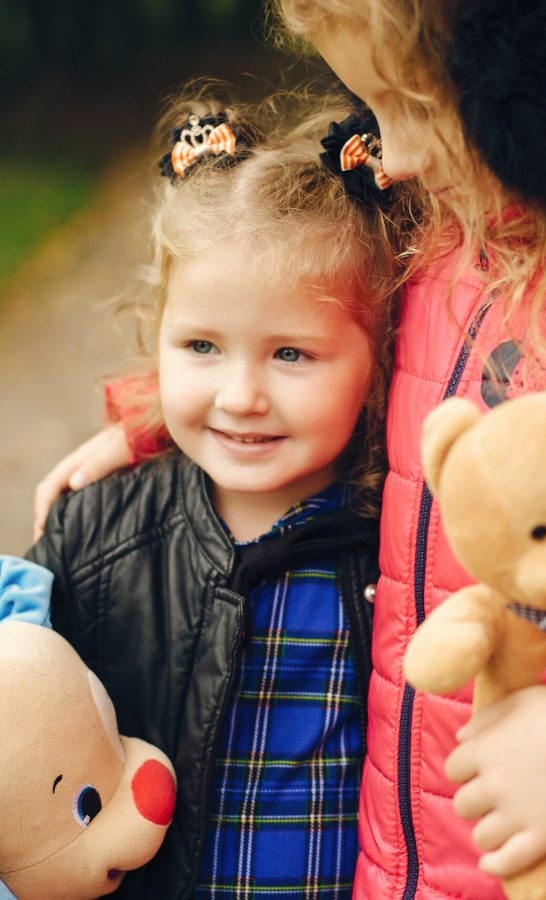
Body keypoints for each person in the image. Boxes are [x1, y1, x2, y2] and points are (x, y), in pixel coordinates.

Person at [33, 0, 546, 897]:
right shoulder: (458, 224)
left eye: (412, 105)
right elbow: (325, 344)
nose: (391, 158)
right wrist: (166, 421)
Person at [27, 90, 411, 898]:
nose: (241, 395)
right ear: (157, 335)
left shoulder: (401, 542)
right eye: (202, 345)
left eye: (292, 355)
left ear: (378, 359)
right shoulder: (98, 531)